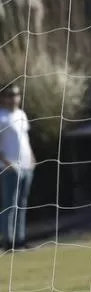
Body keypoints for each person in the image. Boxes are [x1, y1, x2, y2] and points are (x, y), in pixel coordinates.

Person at [0, 84, 35, 249]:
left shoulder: (21, 114)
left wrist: (32, 158)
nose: (14, 98)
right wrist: (7, 163)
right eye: (10, 95)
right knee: (10, 204)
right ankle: (8, 240)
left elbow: (25, 139)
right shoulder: (1, 117)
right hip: (9, 167)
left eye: (16, 94)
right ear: (3, 97)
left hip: (27, 166)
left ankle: (20, 239)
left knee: (22, 203)